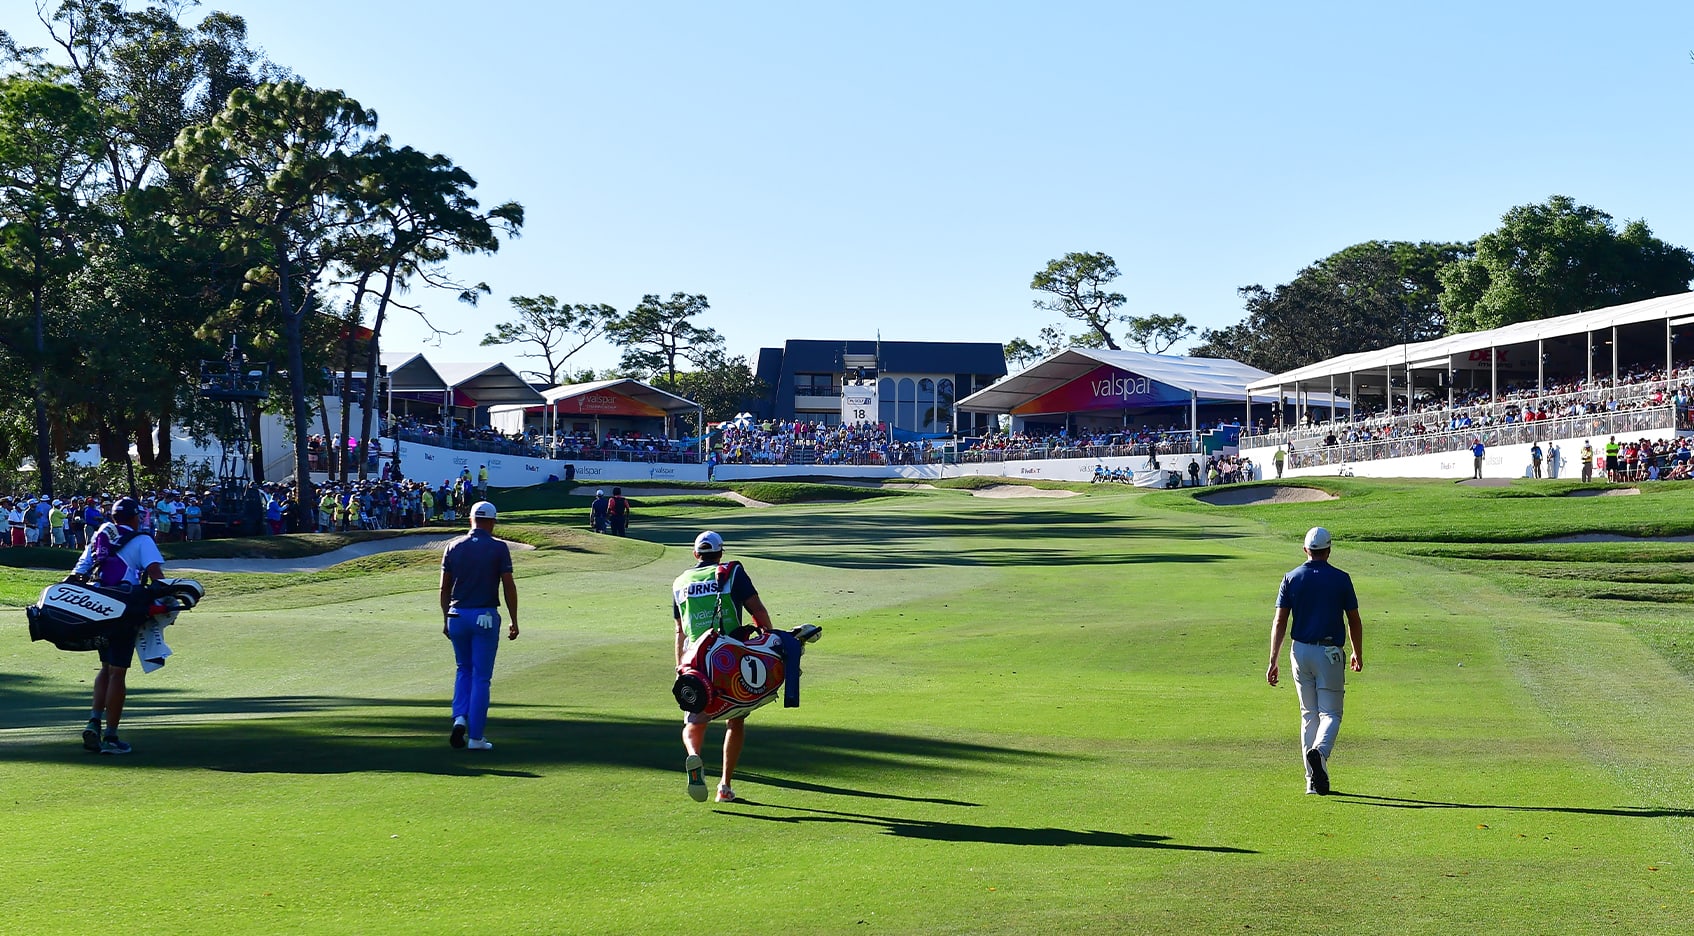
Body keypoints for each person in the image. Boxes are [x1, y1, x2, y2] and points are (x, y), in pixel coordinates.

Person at [673, 530, 774, 804]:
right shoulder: (732, 572)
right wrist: (770, 636)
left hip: (694, 660)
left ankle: (694, 754)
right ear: (720, 553)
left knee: (694, 721)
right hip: (729, 657)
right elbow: (757, 610)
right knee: (736, 717)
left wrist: (678, 666)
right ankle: (725, 786)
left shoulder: (680, 582)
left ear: (696, 554)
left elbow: (680, 631)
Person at [1266, 526, 1363, 795]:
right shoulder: (1341, 579)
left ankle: (1312, 781)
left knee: (1309, 715)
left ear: (1306, 550)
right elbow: (1353, 619)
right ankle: (1320, 753)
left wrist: (1273, 659)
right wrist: (1357, 652)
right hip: (1329, 653)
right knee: (1331, 713)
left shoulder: (1291, 578)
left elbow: (1280, 620)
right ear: (1329, 550)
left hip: (1300, 652)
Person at [72, 496, 167, 755]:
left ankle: (94, 721)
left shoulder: (102, 532)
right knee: (118, 672)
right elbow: (157, 576)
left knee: (106, 667)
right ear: (135, 517)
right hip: (124, 609)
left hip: (98, 607)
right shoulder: (142, 540)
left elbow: (81, 568)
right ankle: (111, 737)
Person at [439, 500, 519, 751]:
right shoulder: (498, 548)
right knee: (481, 677)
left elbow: (444, 587)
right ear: (492, 522)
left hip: (456, 615)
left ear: (470, 519)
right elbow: (508, 585)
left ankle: (459, 717)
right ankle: (476, 738)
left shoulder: (452, 546)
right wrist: (514, 620)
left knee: (463, 669)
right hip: (484, 615)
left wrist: (445, 618)